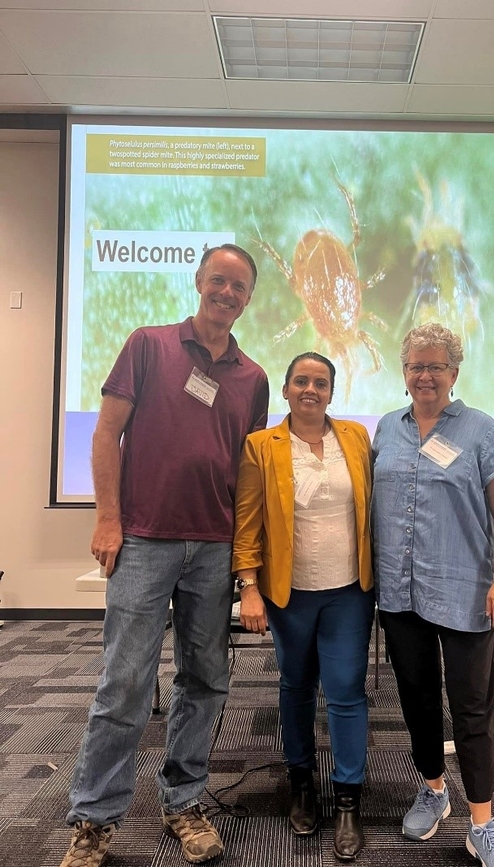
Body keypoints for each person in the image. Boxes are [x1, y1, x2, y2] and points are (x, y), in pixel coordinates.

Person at [59, 244, 269, 867]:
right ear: (199, 281)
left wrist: (245, 558)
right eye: (219, 281)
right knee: (124, 682)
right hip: (144, 541)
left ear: (249, 299)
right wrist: (107, 519)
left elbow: (247, 469)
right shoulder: (148, 345)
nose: (227, 293)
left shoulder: (253, 378)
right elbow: (106, 432)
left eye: (239, 287)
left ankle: (185, 800)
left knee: (205, 678)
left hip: (213, 548)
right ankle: (95, 817)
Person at [371, 322, 494, 867]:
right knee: (415, 698)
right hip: (399, 590)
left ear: (454, 373)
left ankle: (482, 824)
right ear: (404, 371)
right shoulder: (386, 429)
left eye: (436, 366)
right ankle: (434, 790)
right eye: (416, 365)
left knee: (472, 708)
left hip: (465, 590)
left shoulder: (480, 430)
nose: (425, 375)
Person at [232, 352, 375, 861]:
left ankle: (348, 801)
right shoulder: (260, 446)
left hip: (349, 593)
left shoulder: (356, 438)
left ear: (332, 392)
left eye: (320, 382)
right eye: (301, 381)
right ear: (286, 390)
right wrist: (248, 585)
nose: (310, 389)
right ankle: (300, 784)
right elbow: (247, 521)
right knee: (295, 685)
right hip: (288, 594)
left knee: (345, 692)